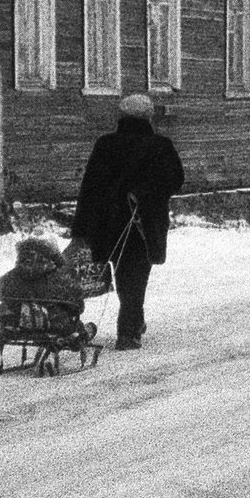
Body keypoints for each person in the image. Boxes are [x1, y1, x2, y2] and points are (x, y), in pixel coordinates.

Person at [67, 93, 184, 349]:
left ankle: (133, 321)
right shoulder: (160, 145)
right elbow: (175, 179)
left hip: (105, 223)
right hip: (144, 223)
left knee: (122, 274)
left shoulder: (105, 144)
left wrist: (81, 229)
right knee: (136, 275)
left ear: (120, 116)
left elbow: (90, 187)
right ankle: (129, 331)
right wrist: (144, 192)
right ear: (149, 117)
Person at [0, 236, 85, 336]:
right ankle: (83, 335)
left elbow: (5, 299)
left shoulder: (7, 278)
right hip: (52, 325)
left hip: (17, 323)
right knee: (73, 323)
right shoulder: (59, 278)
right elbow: (77, 306)